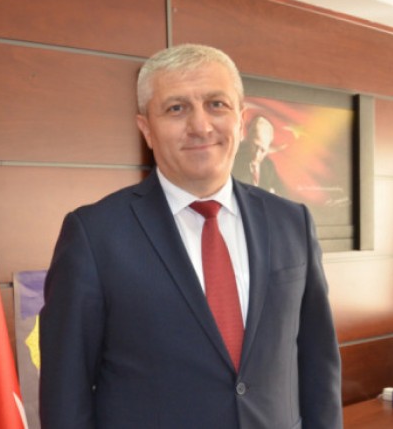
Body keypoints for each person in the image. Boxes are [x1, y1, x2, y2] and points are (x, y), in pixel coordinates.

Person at [39, 43, 342, 429]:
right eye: (176, 108)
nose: (200, 126)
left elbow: (319, 366)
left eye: (216, 104)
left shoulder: (292, 222)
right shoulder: (94, 235)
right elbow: (66, 393)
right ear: (146, 129)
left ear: (241, 121)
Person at [232, 115, 287, 195]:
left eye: (262, 150)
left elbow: (283, 193)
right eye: (255, 146)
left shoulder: (268, 166)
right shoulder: (234, 161)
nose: (257, 154)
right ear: (249, 139)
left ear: (267, 149)